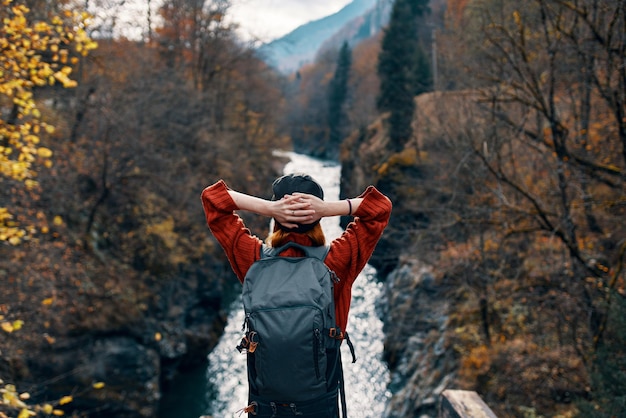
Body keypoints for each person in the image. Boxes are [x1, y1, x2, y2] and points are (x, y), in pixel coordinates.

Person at [201, 172, 392, 416]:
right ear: (318, 217)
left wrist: (269, 208)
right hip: (318, 405)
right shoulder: (337, 262)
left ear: (277, 217)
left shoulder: (254, 259)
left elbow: (213, 199)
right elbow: (380, 208)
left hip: (265, 407)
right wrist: (329, 208)